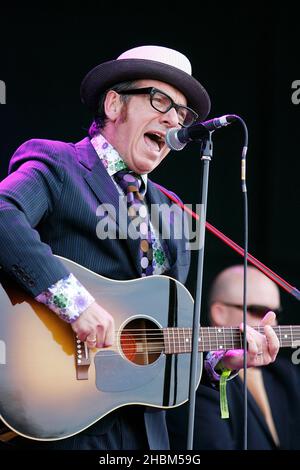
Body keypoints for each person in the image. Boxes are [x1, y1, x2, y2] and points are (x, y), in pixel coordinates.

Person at [0, 46, 279, 450]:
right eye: (160, 101)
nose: (173, 120)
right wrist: (75, 304)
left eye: (182, 114)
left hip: (144, 435)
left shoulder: (172, 209)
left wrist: (222, 358)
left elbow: (165, 334)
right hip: (61, 420)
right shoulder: (59, 164)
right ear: (114, 103)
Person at [167, 265, 300, 450]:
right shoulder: (193, 379)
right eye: (259, 311)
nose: (273, 324)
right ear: (219, 313)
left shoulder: (285, 375)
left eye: (276, 314)